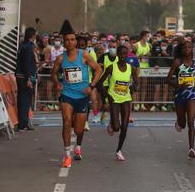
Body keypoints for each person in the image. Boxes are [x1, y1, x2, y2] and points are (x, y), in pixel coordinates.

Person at [52, 20, 102, 168]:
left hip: (82, 96)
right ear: (64, 42)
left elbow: (98, 69)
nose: (70, 42)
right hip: (67, 95)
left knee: (79, 129)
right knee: (66, 121)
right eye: (67, 40)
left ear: (75, 41)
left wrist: (91, 86)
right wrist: (57, 83)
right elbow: (53, 73)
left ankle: (76, 141)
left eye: (72, 39)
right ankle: (67, 155)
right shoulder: (61, 58)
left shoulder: (85, 55)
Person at [95, 44, 138, 161]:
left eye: (125, 54)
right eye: (121, 54)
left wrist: (133, 87)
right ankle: (112, 124)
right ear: (117, 55)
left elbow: (136, 81)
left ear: (127, 55)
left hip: (126, 99)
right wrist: (108, 96)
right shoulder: (111, 67)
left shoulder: (131, 68)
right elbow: (99, 84)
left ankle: (119, 150)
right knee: (117, 127)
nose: (123, 56)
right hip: (114, 98)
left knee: (125, 126)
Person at [169, 39, 195, 159]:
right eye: (185, 47)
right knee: (183, 123)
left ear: (192, 50)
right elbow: (168, 79)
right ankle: (179, 121)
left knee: (191, 122)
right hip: (179, 95)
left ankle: (191, 148)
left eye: (189, 47)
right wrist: (178, 85)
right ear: (181, 49)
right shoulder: (177, 62)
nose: (187, 49)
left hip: (192, 96)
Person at [15, 27, 38, 131]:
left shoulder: (23, 46)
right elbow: (26, 63)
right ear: (32, 36)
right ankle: (22, 124)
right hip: (24, 77)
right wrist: (28, 78)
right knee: (24, 100)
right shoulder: (28, 47)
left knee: (24, 100)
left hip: (21, 75)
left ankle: (24, 121)